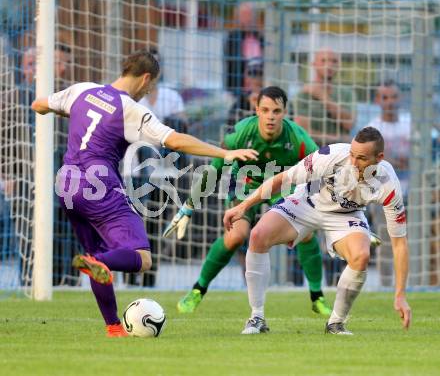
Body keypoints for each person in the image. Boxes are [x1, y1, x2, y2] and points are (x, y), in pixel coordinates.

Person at [31, 49, 258, 338]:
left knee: (100, 255)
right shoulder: (131, 109)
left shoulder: (82, 90)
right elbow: (174, 141)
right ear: (146, 78)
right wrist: (226, 152)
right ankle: (100, 265)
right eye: (151, 87)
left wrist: (68, 111)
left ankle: (113, 327)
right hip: (97, 185)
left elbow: (39, 105)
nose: (149, 92)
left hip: (65, 184)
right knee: (141, 257)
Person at [224, 127, 412, 335]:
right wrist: (242, 207)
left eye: (361, 158)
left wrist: (400, 295)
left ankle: (336, 323)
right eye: (352, 154)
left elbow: (399, 243)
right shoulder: (330, 156)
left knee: (361, 255)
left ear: (379, 158)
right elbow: (283, 179)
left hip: (345, 216)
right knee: (258, 236)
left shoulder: (389, 185)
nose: (353, 162)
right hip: (306, 203)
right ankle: (256, 318)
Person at [164, 86, 332, 316]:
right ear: (257, 110)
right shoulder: (241, 132)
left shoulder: (298, 138)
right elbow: (214, 170)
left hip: (280, 187)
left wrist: (340, 211)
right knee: (236, 237)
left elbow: (324, 170)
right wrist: (189, 206)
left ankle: (317, 296)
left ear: (285, 112)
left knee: (306, 233)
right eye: (265, 110)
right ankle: (197, 290)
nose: (270, 116)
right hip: (244, 185)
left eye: (276, 111)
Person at [367, 81, 410, 286]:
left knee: (414, 237)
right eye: (385, 97)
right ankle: (385, 285)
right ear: (377, 101)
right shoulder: (373, 128)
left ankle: (414, 282)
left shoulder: (410, 124)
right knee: (386, 239)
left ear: (400, 98)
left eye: (393, 96)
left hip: (412, 188)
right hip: (383, 192)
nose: (390, 101)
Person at [293, 48, 356, 146]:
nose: (329, 65)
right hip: (312, 151)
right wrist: (338, 139)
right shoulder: (303, 94)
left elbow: (349, 124)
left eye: (334, 61)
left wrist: (323, 97)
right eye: (324, 61)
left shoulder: (347, 94)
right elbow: (303, 131)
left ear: (339, 65)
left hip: (339, 154)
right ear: (314, 64)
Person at [224, 2, 264, 97]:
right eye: (243, 15)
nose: (247, 19)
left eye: (249, 15)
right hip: (238, 89)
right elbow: (232, 63)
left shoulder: (260, 38)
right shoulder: (232, 38)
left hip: (259, 88)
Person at [227, 57, 264, 126]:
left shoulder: (274, 100)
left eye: (260, 74)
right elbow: (231, 130)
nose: (256, 79)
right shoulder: (239, 104)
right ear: (246, 77)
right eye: (252, 74)